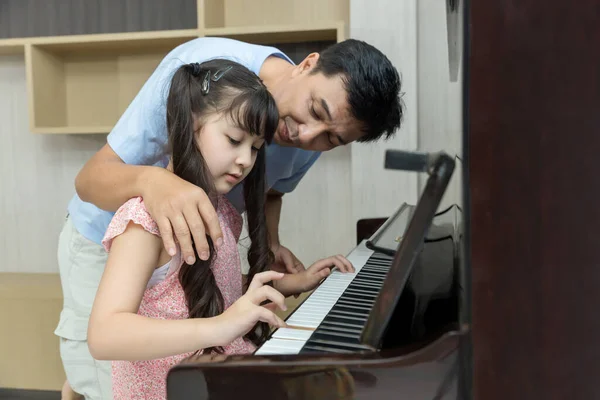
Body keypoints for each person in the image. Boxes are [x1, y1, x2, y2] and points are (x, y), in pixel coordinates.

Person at [55, 37, 403, 399]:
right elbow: (90, 179)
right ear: (307, 64)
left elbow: (271, 192)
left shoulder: (225, 208)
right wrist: (154, 182)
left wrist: (276, 256)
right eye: (316, 110)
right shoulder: (201, 72)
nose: (307, 135)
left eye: (332, 139)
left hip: (183, 285)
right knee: (99, 381)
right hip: (108, 239)